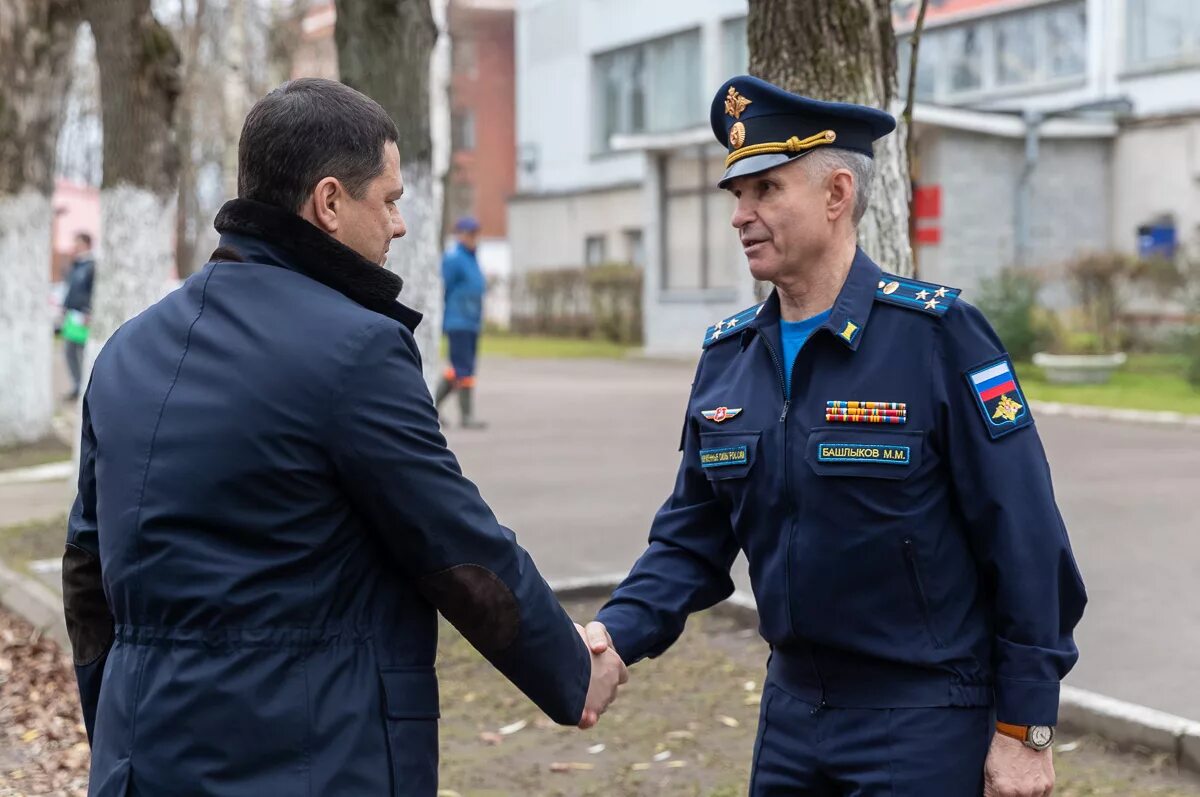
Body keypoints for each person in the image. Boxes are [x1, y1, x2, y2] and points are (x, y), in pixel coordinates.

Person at [62, 77, 626, 797]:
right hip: (308, 759)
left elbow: (86, 572)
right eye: (389, 200)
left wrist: (119, 722)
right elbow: (457, 547)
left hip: (139, 761)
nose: (399, 225)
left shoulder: (124, 351)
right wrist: (573, 672)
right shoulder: (354, 350)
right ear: (329, 202)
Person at [583, 75, 1086, 797]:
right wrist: (614, 635)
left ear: (836, 193)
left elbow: (1028, 541)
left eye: (766, 190)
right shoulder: (730, 359)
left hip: (923, 718)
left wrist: (1025, 729)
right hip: (792, 716)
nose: (742, 215)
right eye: (737, 194)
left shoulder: (937, 338)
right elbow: (691, 538)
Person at [435, 216, 488, 428]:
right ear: (460, 235)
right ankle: (465, 415)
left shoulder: (471, 257)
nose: (473, 237)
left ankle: (433, 408)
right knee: (462, 367)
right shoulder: (454, 258)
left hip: (471, 321)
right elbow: (443, 287)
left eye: (475, 233)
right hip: (458, 321)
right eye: (469, 233)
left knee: (460, 368)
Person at [60, 232, 95, 401]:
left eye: (78, 243)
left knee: (83, 352)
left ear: (87, 244)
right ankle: (77, 385)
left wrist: (90, 311)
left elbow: (93, 291)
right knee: (69, 352)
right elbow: (71, 289)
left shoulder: (92, 266)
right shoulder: (75, 265)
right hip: (72, 316)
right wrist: (65, 306)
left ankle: (87, 386)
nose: (76, 246)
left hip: (84, 316)